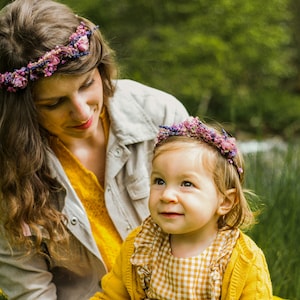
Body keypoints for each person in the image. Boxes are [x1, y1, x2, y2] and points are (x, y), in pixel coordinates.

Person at [0, 0, 189, 299]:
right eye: (54, 103)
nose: (81, 112)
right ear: (22, 113)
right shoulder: (8, 170)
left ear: (100, 69)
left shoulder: (161, 115)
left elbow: (215, 228)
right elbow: (32, 292)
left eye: (87, 84)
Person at [92, 116, 273, 299]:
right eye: (159, 181)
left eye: (186, 184)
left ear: (224, 201)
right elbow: (112, 296)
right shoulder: (141, 244)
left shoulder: (242, 259)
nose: (167, 195)